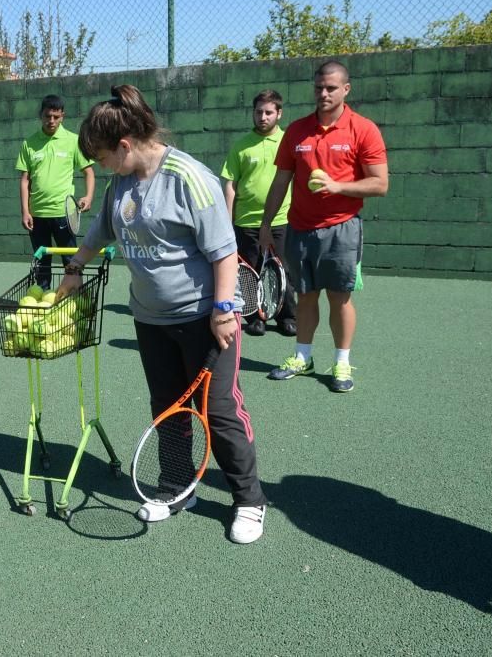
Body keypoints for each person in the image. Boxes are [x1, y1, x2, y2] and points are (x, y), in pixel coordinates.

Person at [55, 85, 267, 544]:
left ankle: (249, 501)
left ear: (126, 145)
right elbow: (98, 232)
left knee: (221, 410)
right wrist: (74, 268)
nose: (100, 167)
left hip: (203, 318)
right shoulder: (121, 183)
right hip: (150, 320)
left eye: (103, 157)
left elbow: (225, 251)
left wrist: (224, 309)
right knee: (167, 406)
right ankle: (177, 488)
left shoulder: (189, 178)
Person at [258, 61, 388, 393]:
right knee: (305, 297)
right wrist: (265, 224)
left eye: (331, 88)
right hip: (300, 228)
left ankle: (341, 362)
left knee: (339, 299)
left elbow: (379, 184)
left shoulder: (364, 129)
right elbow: (281, 182)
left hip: (342, 229)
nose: (324, 93)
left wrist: (338, 186)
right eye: (319, 87)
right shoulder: (297, 131)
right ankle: (302, 357)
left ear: (346, 89)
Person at [221, 89, 297, 337]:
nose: (263, 117)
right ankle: (255, 317)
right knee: (249, 272)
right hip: (246, 222)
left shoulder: (289, 142)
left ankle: (287, 317)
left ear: (279, 114)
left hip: (282, 221)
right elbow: (230, 184)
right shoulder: (241, 146)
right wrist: (227, 221)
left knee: (284, 271)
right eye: (258, 112)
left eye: (268, 112)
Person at [16, 94, 95, 288]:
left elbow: (89, 172)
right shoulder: (29, 143)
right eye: (47, 116)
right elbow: (25, 180)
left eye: (56, 117)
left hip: (64, 215)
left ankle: (74, 298)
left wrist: (89, 196)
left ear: (63, 117)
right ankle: (43, 298)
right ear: (41, 115)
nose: (51, 121)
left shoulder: (73, 141)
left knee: (71, 262)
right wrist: (26, 211)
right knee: (42, 265)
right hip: (37, 216)